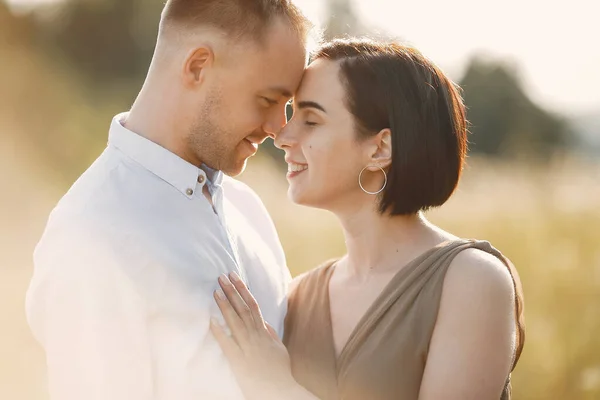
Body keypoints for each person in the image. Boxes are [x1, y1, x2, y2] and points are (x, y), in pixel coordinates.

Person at [210, 38, 526, 400]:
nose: (282, 136)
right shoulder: (298, 297)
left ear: (380, 149)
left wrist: (278, 388)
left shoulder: (473, 281)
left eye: (310, 120)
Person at [25, 1, 312, 399]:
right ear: (197, 66)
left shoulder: (250, 211)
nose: (279, 130)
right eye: (267, 100)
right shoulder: (92, 234)